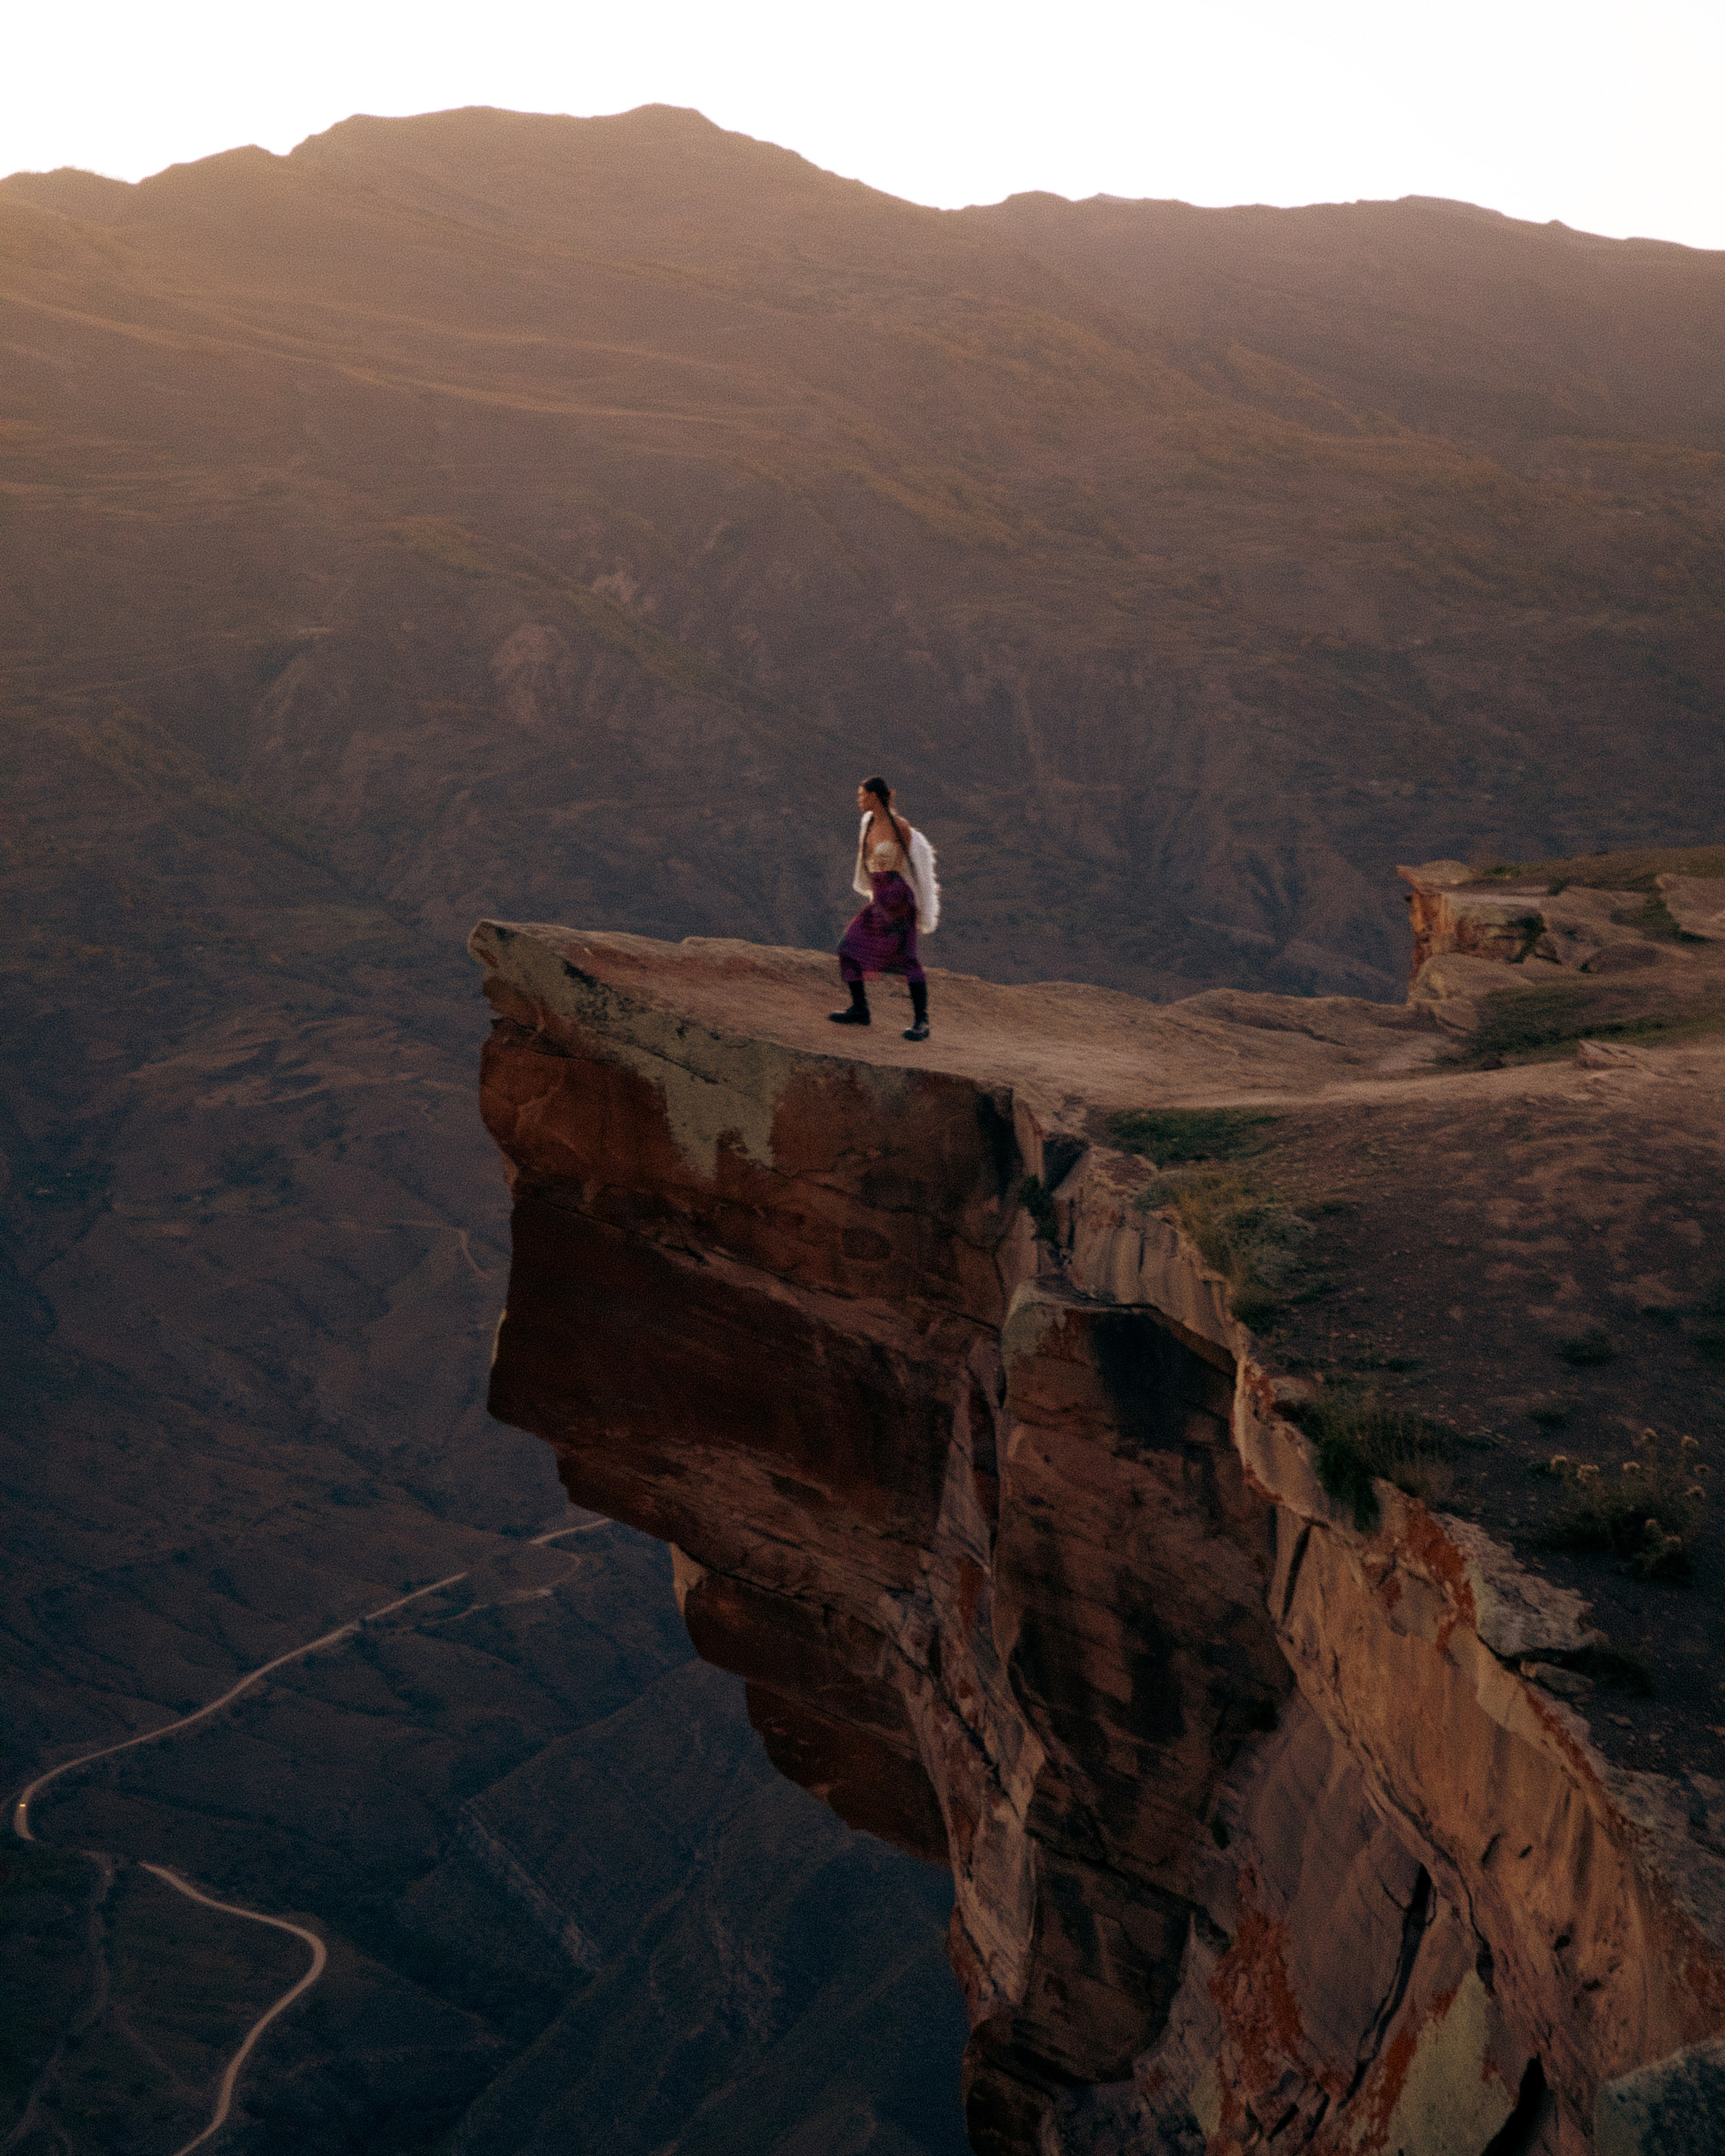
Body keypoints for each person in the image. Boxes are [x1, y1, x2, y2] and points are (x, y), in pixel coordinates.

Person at [831, 776, 940, 1040]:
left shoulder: (900, 827)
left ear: (874, 797)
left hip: (899, 900)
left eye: (862, 795)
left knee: (907, 959)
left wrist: (921, 907)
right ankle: (860, 1009)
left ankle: (922, 1021)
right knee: (848, 947)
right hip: (880, 901)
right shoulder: (867, 824)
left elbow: (917, 866)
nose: (859, 800)